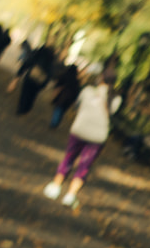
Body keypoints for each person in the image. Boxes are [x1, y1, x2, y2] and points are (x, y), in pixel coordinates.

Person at [43, 65, 120, 209]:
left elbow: (77, 106)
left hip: (79, 130)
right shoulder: (116, 99)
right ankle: (70, 195)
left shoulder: (88, 91)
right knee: (85, 165)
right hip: (98, 137)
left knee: (69, 158)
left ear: (101, 78)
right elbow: (111, 114)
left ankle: (55, 187)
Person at [12, 43, 56, 115]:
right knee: (32, 95)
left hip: (30, 77)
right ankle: (27, 108)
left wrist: (19, 74)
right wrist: (43, 85)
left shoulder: (37, 56)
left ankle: (20, 108)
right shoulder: (50, 62)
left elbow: (28, 63)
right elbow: (50, 74)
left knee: (24, 93)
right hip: (38, 82)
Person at [48, 63, 83, 129]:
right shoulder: (76, 80)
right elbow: (77, 91)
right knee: (62, 111)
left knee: (58, 109)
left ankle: (54, 123)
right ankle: (56, 122)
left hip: (61, 96)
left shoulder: (64, 75)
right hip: (69, 99)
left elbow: (58, 84)